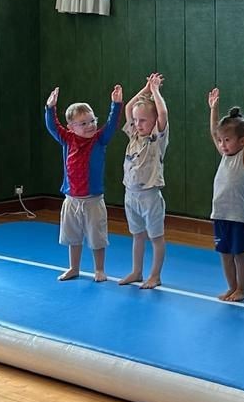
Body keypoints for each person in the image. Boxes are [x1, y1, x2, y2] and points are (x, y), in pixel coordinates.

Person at [44, 83, 124, 281]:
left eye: (92, 121)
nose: (90, 126)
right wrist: (50, 108)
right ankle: (74, 267)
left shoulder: (99, 140)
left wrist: (116, 104)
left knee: (97, 237)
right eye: (84, 123)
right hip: (71, 198)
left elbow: (112, 125)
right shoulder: (67, 139)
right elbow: (52, 126)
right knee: (73, 237)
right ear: (71, 127)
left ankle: (99, 269)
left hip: (93, 200)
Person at [119, 72, 169, 289]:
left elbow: (163, 113)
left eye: (143, 120)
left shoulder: (156, 138)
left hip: (150, 196)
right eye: (136, 121)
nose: (138, 124)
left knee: (155, 237)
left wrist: (156, 91)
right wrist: (146, 88)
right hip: (130, 195)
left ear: (153, 121)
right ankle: (136, 271)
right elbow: (129, 107)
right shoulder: (133, 136)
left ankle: (155, 275)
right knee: (137, 235)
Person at [208, 89, 244, 301]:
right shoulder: (225, 157)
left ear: (241, 141)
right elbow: (214, 131)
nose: (222, 145)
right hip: (220, 214)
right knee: (225, 255)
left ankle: (242, 289)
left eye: (227, 140)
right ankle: (232, 286)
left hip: (238, 217)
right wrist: (214, 109)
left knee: (239, 255)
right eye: (221, 141)